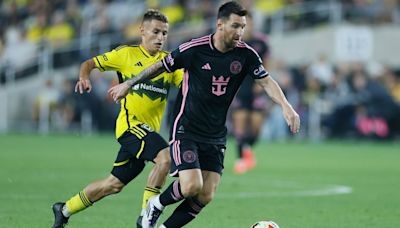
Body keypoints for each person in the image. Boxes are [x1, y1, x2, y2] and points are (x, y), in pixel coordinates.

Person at [108, 2, 300, 227]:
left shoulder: (246, 54)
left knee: (206, 194)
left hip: (216, 133)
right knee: (191, 186)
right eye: (235, 26)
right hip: (186, 129)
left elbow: (266, 81)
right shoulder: (194, 49)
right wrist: (129, 83)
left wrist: (286, 106)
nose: (240, 32)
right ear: (220, 24)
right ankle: (156, 204)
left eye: (243, 26)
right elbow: (160, 66)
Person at [51, 9, 183, 228]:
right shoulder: (126, 55)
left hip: (147, 132)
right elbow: (89, 63)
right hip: (130, 127)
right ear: (142, 31)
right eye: (156, 32)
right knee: (165, 158)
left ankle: (64, 209)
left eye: (164, 33)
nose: (160, 38)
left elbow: (187, 86)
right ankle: (146, 217)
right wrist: (84, 77)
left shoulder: (168, 63)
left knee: (112, 185)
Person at [230, 12, 271, 174]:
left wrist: (262, 83)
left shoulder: (262, 42)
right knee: (240, 122)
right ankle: (240, 159)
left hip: (257, 87)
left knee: (256, 127)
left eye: (250, 24)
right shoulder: (233, 41)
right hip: (239, 87)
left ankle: (247, 147)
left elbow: (267, 63)